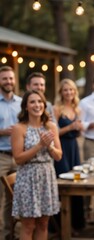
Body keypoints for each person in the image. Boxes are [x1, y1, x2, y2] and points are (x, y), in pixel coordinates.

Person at [11, 90, 62, 240]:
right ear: (26, 106)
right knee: (28, 226)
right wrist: (40, 145)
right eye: (32, 102)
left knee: (43, 224)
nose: (37, 105)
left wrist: (50, 147)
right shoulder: (19, 128)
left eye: (40, 101)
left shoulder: (51, 126)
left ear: (44, 105)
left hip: (47, 176)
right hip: (27, 178)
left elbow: (58, 156)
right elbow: (18, 159)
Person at [52, 79, 85, 230]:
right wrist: (71, 126)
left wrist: (79, 129)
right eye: (65, 90)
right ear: (61, 92)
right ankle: (61, 225)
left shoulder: (77, 109)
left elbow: (77, 132)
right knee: (64, 183)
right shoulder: (56, 109)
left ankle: (76, 223)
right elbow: (54, 133)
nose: (69, 93)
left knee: (77, 180)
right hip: (62, 148)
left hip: (73, 147)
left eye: (71, 90)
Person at [0, 66, 21, 239]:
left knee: (13, 199)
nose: (8, 81)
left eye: (11, 78)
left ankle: (11, 234)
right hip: (1, 156)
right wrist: (3, 131)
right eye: (5, 78)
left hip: (20, 156)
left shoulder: (22, 102)